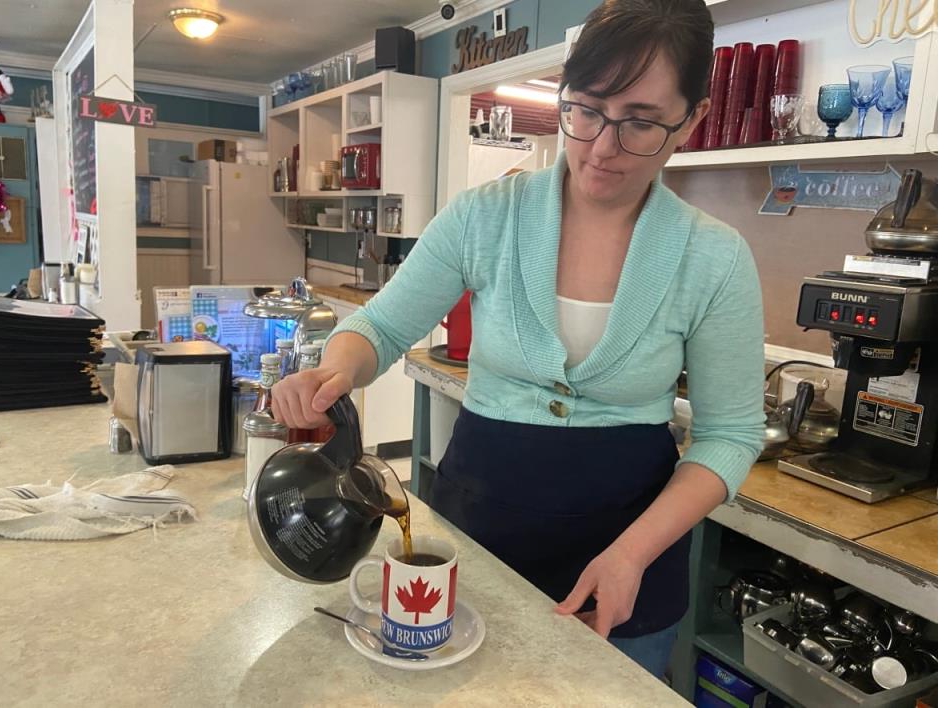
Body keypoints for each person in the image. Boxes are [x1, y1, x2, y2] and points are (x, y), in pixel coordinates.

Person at [272, 0, 765, 678]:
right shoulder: (486, 216)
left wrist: (633, 554)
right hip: (480, 531)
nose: (602, 146)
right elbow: (380, 328)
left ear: (693, 120)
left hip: (629, 558)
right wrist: (334, 373)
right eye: (586, 109)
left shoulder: (715, 258)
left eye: (641, 122)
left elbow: (730, 435)